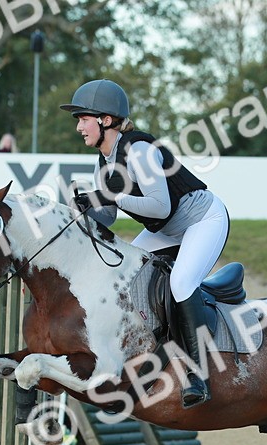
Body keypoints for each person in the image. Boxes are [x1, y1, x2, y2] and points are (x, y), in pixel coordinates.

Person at [60, 79, 229, 408]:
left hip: (203, 220)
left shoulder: (139, 150)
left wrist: (112, 196)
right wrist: (86, 208)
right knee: (125, 275)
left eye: (83, 118)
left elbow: (159, 205)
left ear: (105, 120)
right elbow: (108, 215)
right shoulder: (104, 161)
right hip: (167, 227)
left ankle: (198, 375)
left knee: (180, 282)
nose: (79, 126)